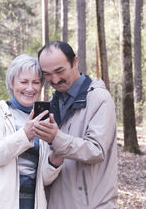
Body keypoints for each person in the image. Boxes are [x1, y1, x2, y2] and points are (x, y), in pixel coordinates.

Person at [0, 54, 63, 209]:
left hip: (28, 203)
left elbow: (42, 179)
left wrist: (55, 160)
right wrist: (25, 134)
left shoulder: (43, 119)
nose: (30, 88)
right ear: (11, 83)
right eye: (23, 82)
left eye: (36, 82)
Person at [34, 41, 118, 209]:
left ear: (75, 62)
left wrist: (56, 138)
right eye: (47, 74)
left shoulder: (100, 98)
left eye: (59, 71)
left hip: (93, 205)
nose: (55, 80)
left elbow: (96, 150)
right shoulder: (52, 103)